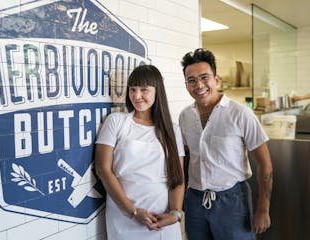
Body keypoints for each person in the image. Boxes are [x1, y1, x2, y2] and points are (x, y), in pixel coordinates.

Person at [179, 48, 273, 239]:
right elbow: (187, 157)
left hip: (232, 201)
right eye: (191, 80)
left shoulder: (240, 114)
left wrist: (263, 208)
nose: (199, 85)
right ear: (186, 85)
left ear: (217, 79)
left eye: (205, 77)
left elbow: (265, 164)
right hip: (195, 200)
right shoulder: (185, 116)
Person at [95, 64, 185, 240]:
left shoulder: (172, 130)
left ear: (157, 91)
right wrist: (133, 211)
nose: (137, 96)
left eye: (144, 90)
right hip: (124, 215)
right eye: (132, 89)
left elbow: (178, 177)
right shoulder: (116, 122)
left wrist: (175, 214)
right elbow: (103, 170)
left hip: (162, 217)